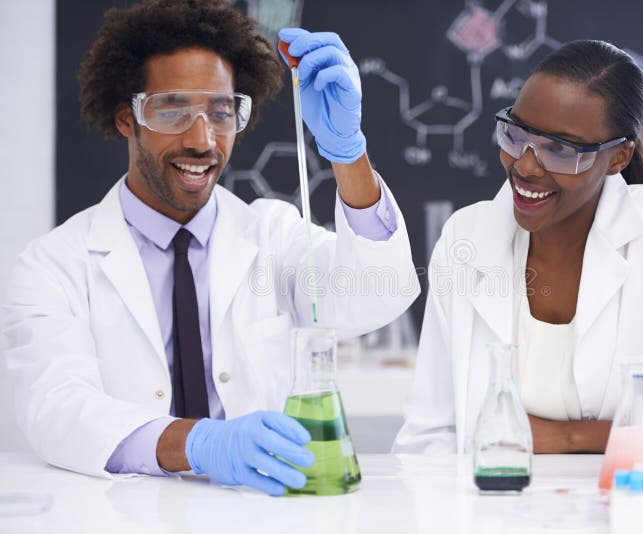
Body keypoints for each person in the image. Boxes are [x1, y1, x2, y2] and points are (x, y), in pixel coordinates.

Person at [2, 0, 419, 495]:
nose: (202, 140)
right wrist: (197, 443)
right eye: (173, 109)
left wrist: (347, 153)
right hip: (119, 519)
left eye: (221, 112)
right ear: (125, 118)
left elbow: (375, 296)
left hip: (258, 512)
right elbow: (56, 407)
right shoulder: (53, 267)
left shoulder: (271, 237)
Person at [392, 40, 643, 455]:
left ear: (618, 158)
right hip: (499, 511)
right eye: (517, 134)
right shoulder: (466, 238)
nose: (525, 165)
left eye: (561, 149)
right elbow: (428, 437)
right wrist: (611, 434)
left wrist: (564, 437)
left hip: (633, 510)